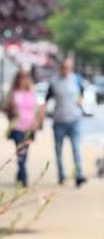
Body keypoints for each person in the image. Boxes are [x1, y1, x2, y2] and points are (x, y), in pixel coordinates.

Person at [46, 56, 87, 187]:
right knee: (58, 150)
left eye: (68, 67)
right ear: (60, 67)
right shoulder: (54, 82)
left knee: (76, 149)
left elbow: (82, 92)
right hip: (59, 121)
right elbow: (47, 99)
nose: (66, 70)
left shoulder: (76, 79)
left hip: (74, 120)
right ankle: (61, 175)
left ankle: (79, 175)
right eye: (64, 67)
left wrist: (80, 100)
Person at [3, 70, 42, 187]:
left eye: (26, 78)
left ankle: (20, 174)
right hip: (17, 127)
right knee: (20, 151)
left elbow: (36, 110)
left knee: (25, 153)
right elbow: (6, 107)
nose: (24, 80)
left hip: (29, 128)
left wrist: (36, 123)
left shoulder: (31, 93)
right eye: (21, 78)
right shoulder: (13, 93)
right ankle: (24, 176)